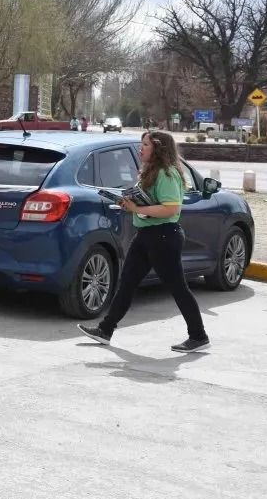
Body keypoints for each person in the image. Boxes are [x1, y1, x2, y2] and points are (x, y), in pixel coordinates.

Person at [79, 131, 210, 353]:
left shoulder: (167, 174)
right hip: (146, 235)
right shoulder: (150, 172)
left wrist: (136, 208)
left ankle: (198, 335)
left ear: (158, 148)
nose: (141, 149)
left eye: (145, 145)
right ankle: (105, 329)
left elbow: (171, 208)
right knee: (127, 282)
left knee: (178, 287)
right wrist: (129, 203)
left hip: (164, 237)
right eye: (141, 144)